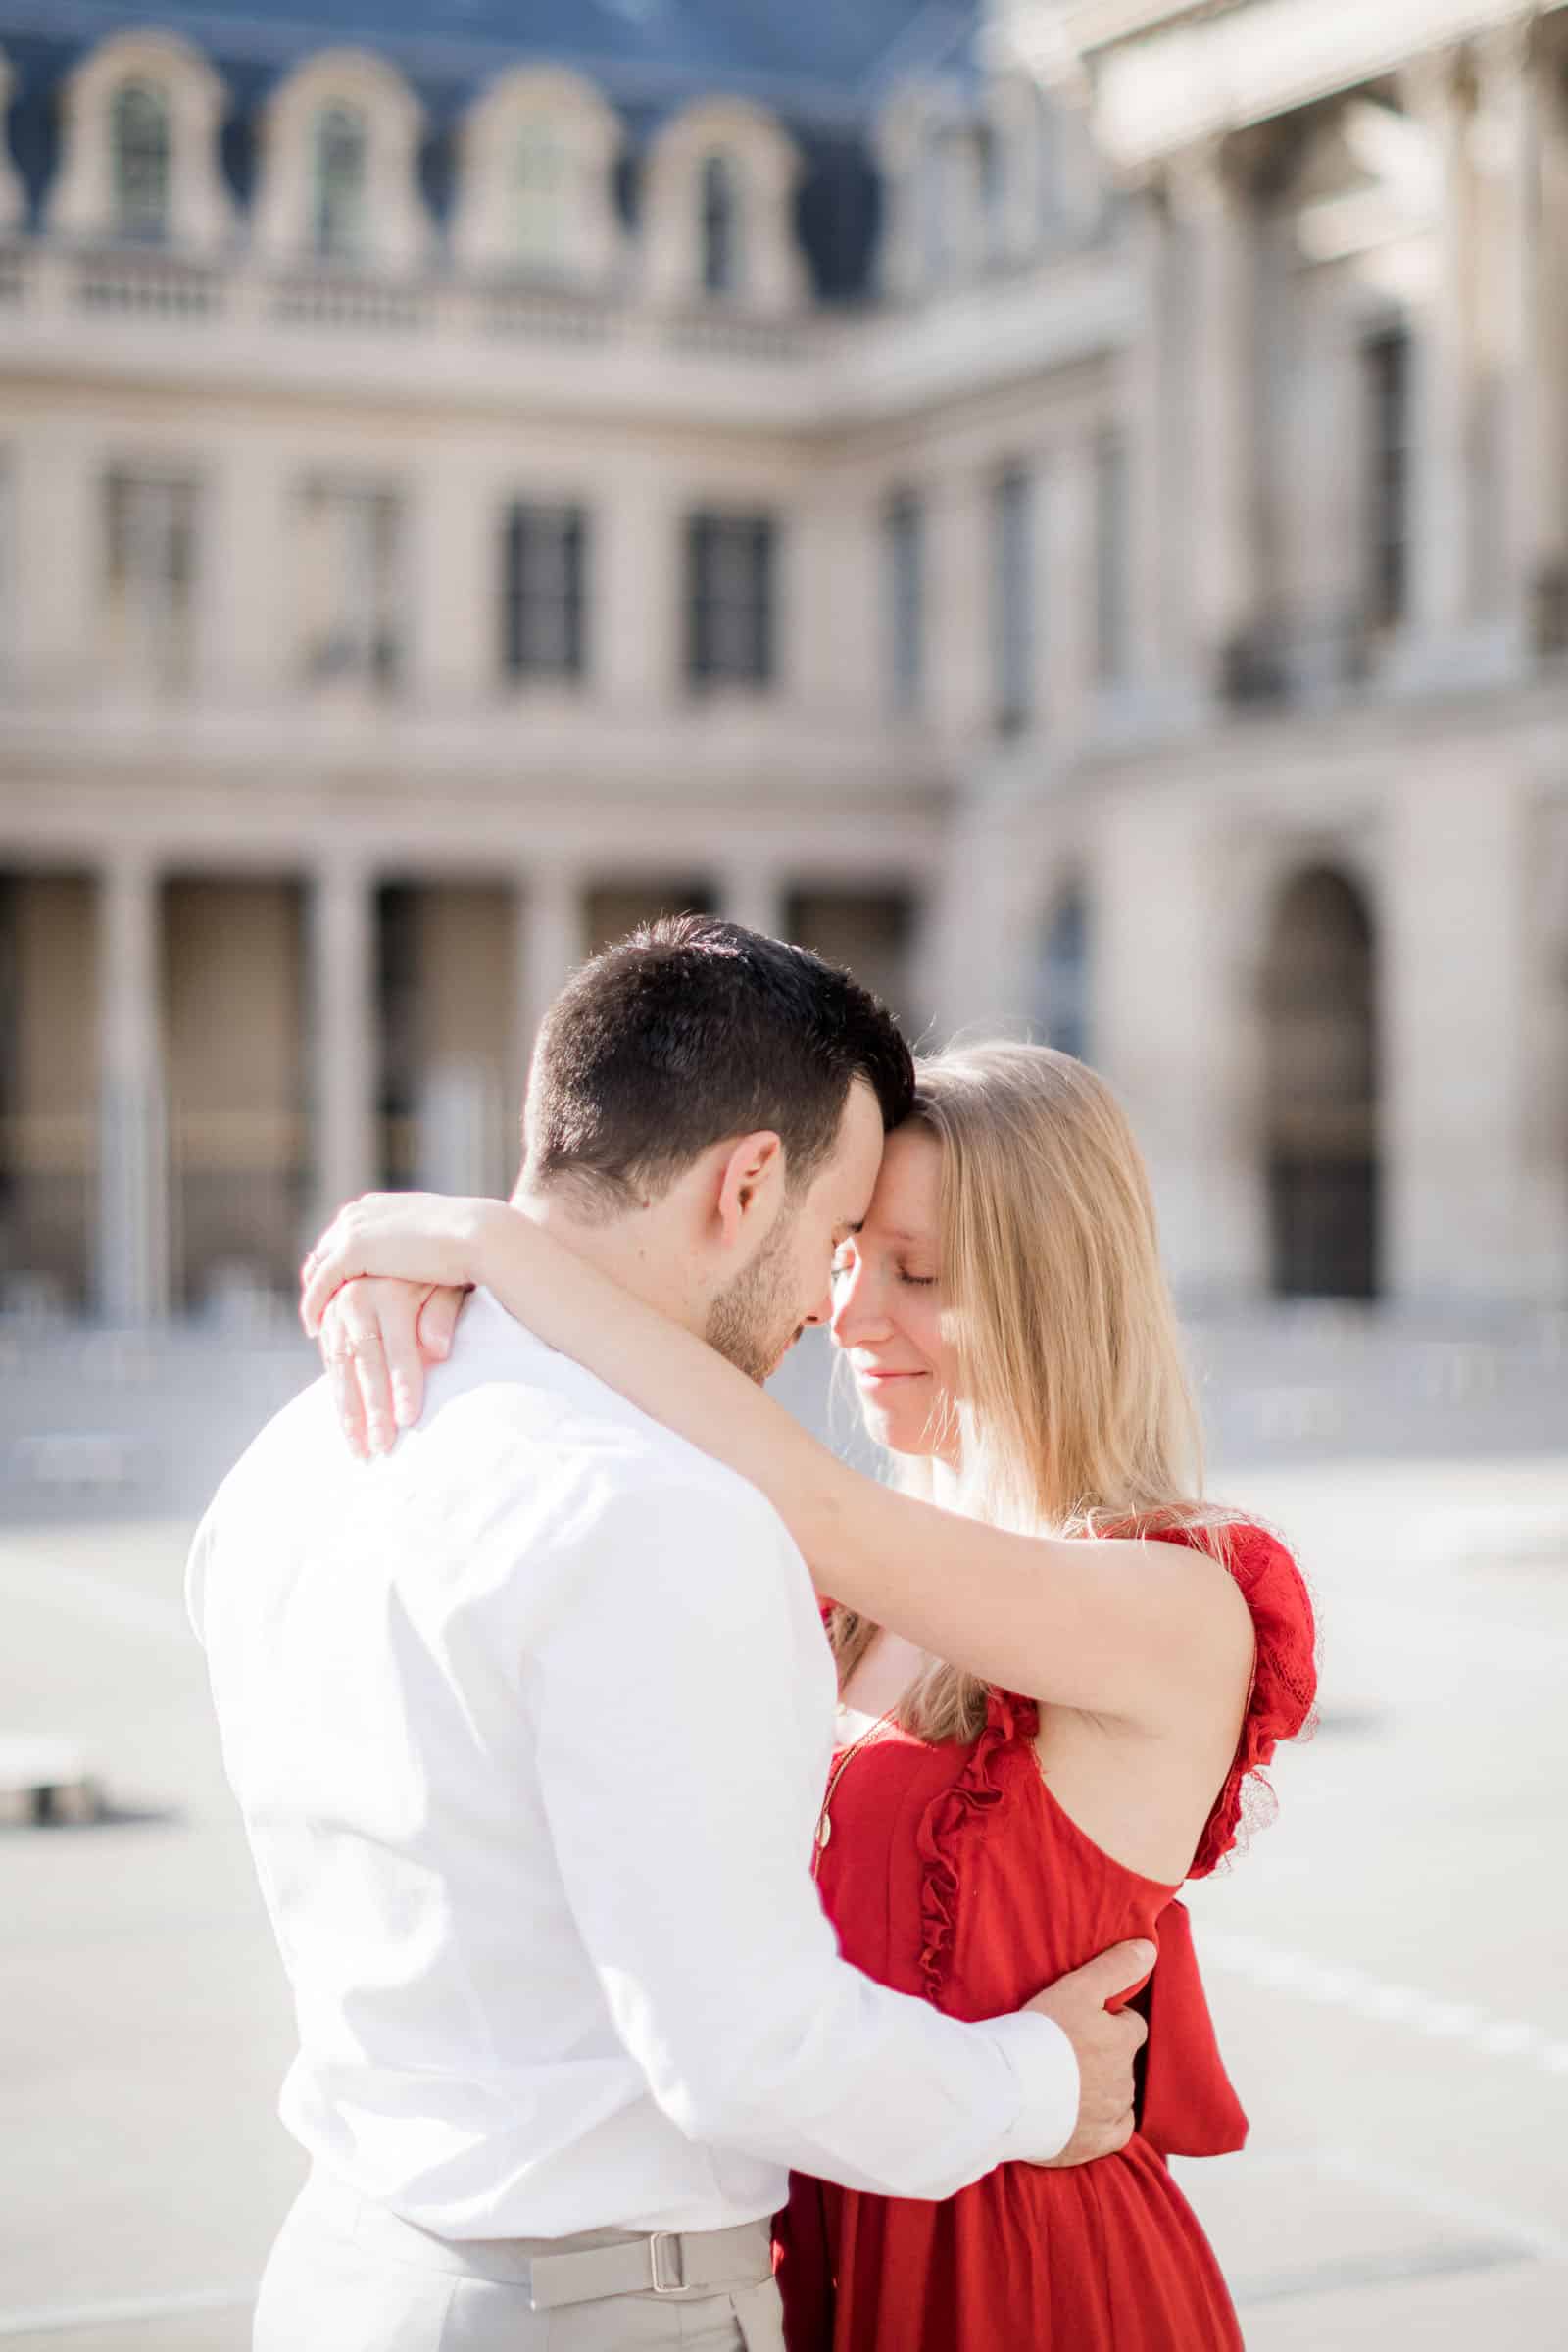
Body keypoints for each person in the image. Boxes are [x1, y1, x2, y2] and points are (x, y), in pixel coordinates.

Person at [189, 920, 1153, 2352]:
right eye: (835, 1242)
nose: (830, 1319)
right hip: (589, 2304)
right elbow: (745, 2052)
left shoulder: (293, 1454)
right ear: (746, 1180)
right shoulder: (658, 1516)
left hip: (349, 2264)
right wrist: (1037, 2085)